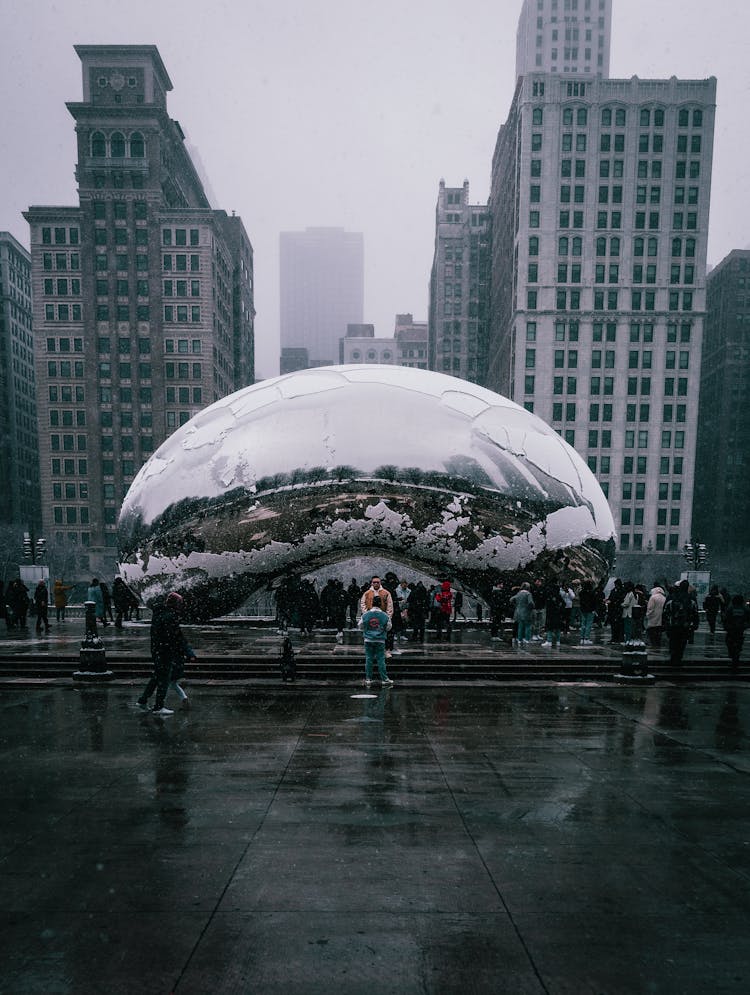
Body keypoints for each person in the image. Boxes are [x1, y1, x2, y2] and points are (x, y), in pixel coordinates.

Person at [137, 592, 196, 715]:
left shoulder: (159, 613)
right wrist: (188, 652)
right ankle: (159, 706)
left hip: (158, 650)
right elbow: (177, 637)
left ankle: (143, 700)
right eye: (180, 603)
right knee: (164, 679)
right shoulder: (170, 616)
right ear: (176, 604)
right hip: (166, 651)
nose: (181, 606)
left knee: (156, 677)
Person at [662, 580, 699, 672]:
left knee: (673, 641)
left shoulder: (672, 597)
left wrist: (665, 624)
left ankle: (673, 657)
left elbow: (665, 612)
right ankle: (678, 658)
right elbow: (695, 613)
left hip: (673, 625)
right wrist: (694, 624)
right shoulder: (691, 599)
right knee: (682, 644)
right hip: (685, 625)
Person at [359, 594, 393, 687]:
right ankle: (384, 679)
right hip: (380, 640)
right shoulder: (385, 616)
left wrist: (368, 630)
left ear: (372, 603)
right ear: (381, 604)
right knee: (381, 660)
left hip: (368, 639)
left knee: (369, 659)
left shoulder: (366, 615)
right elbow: (389, 628)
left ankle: (368, 678)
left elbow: (361, 626)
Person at [723, 595, 749, 674]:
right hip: (740, 630)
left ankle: (733, 656)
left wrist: (727, 626)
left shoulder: (731, 608)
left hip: (732, 630)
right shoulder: (745, 609)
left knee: (730, 643)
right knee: (738, 646)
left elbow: (726, 619)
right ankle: (735, 658)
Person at [510, 582, 535, 647]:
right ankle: (527, 639)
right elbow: (531, 603)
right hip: (526, 612)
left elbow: (511, 599)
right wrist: (531, 607)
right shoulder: (528, 594)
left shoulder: (519, 593)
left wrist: (516, 605)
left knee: (520, 626)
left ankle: (519, 639)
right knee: (528, 626)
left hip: (518, 612)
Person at [542, 583, 566, 648]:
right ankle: (558, 641)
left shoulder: (550, 597)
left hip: (551, 614)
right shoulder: (558, 596)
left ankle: (549, 641)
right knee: (557, 628)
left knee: (550, 628)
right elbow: (564, 604)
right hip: (558, 614)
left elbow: (548, 605)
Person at [645, 582, 667, 648]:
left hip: (653, 619)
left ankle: (653, 645)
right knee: (658, 634)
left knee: (652, 634)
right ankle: (658, 644)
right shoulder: (664, 598)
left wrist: (647, 615)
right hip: (660, 619)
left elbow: (650, 609)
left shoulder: (653, 597)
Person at [578, 580, 597, 646]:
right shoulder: (592, 593)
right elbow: (594, 602)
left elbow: (581, 601)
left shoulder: (581, 593)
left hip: (583, 610)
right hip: (590, 610)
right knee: (588, 624)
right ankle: (586, 638)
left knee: (583, 624)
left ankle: (582, 638)